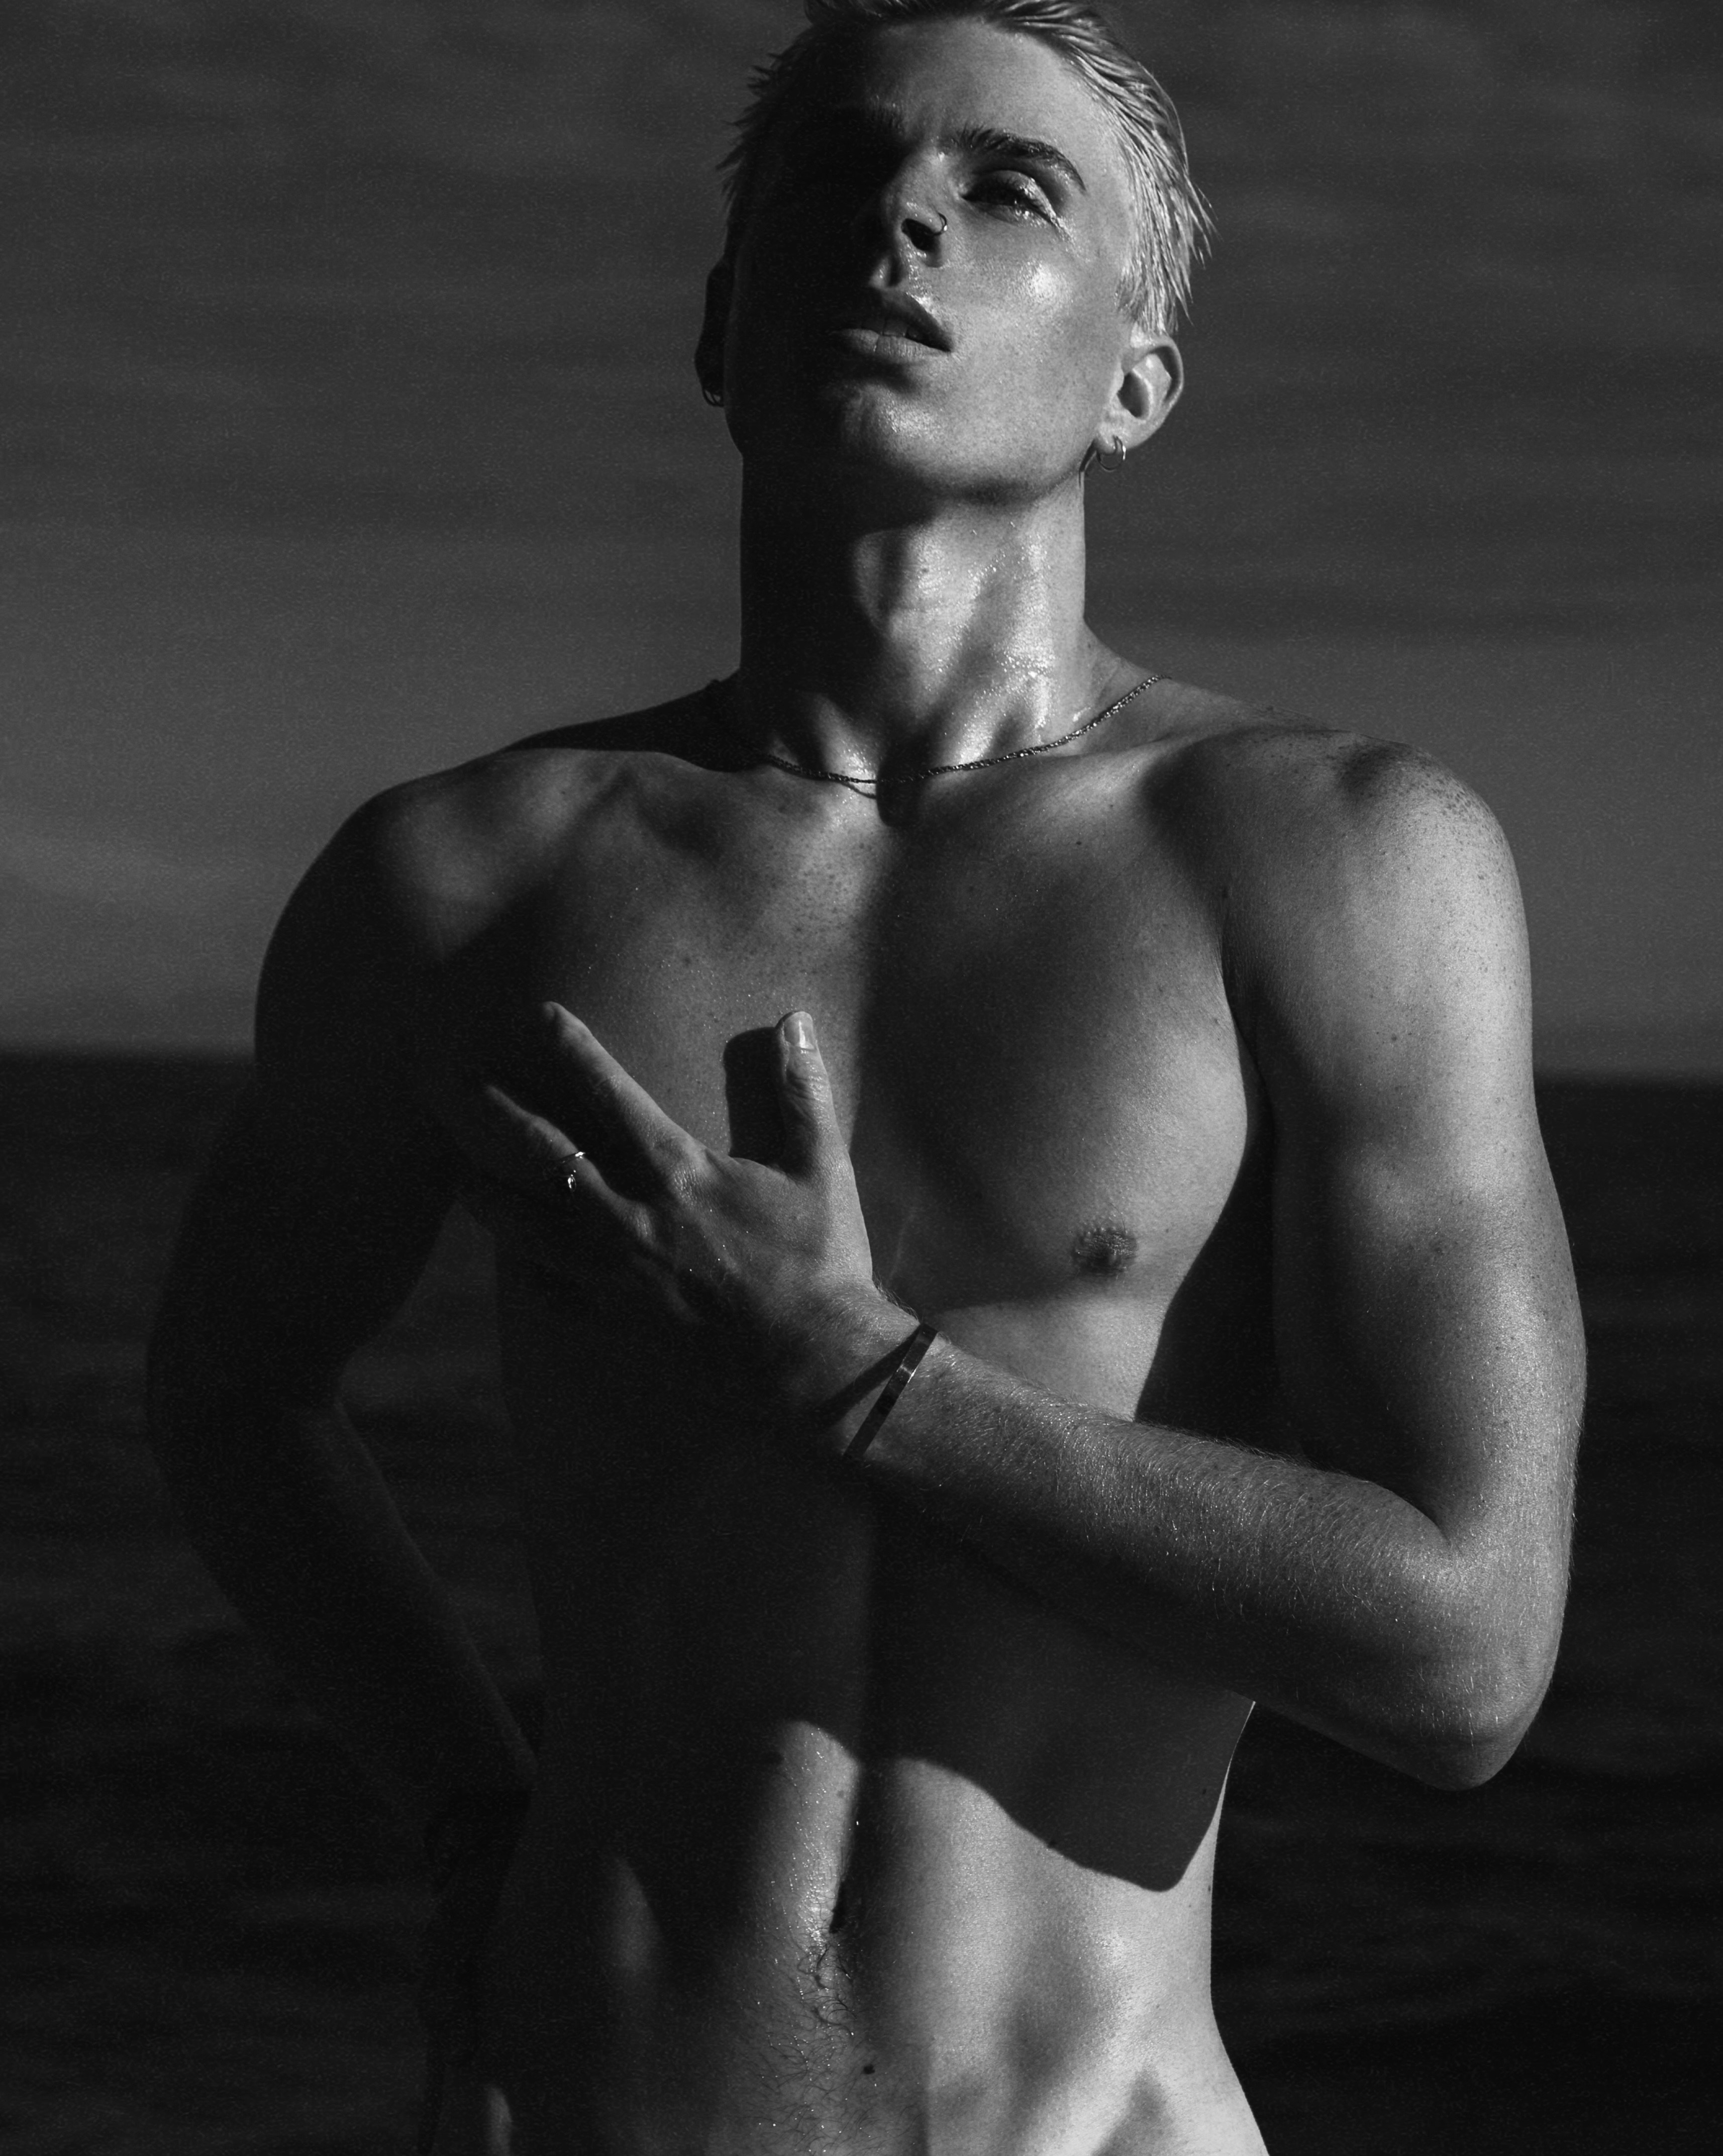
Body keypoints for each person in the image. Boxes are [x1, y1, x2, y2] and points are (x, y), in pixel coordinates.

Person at [146, 3, 1585, 2149]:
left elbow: (1467, 1658)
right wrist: (464, 1816)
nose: (903, 214)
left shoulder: (1340, 861)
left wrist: (867, 1380)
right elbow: (229, 1392)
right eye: (837, 172)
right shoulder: (464, 881)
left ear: (1138, 380)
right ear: (720, 333)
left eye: (1010, 190)